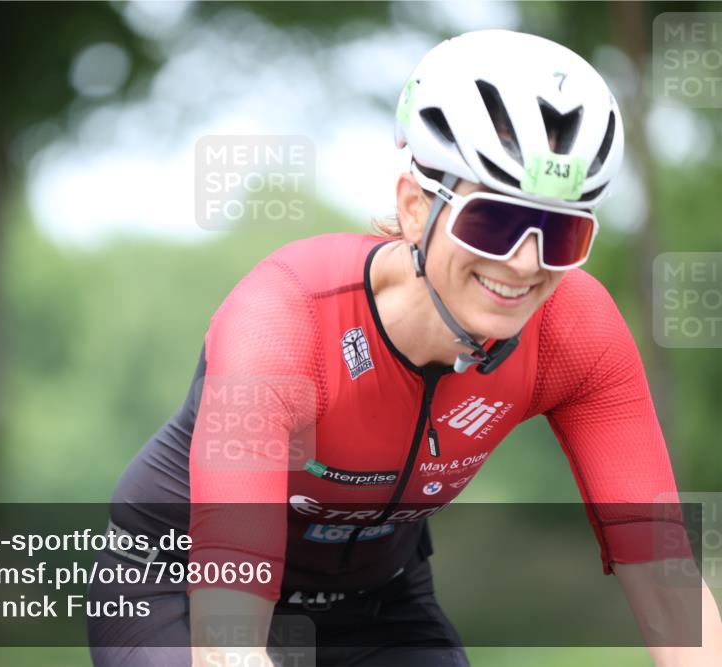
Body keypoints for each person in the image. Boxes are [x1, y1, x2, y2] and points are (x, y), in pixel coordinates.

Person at [87, 29, 722, 666]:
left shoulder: (575, 332)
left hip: (377, 603)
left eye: (561, 233)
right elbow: (229, 623)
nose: (526, 263)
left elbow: (663, 571)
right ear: (415, 207)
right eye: (494, 220)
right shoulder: (287, 320)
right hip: (176, 587)